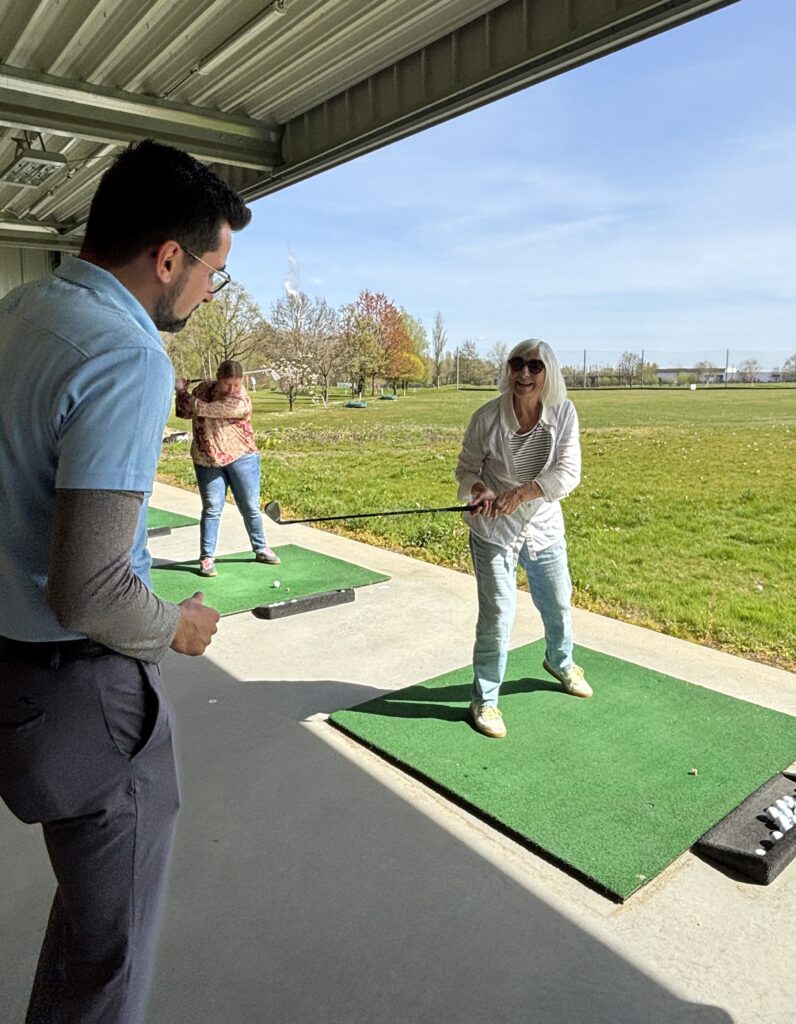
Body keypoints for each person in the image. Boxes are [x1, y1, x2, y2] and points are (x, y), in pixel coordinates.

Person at [0, 139, 251, 1023]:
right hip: (81, 693)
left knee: (89, 931)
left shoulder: (17, 312)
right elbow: (93, 587)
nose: (211, 291)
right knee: (111, 958)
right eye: (214, 272)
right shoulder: (128, 354)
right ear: (169, 258)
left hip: (13, 677)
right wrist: (176, 626)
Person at [455, 338, 593, 739]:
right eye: (517, 364)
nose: (524, 373)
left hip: (543, 526)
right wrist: (479, 490)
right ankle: (485, 699)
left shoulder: (563, 412)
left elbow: (568, 472)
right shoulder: (486, 417)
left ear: (549, 372)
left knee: (558, 602)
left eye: (535, 366)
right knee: (497, 615)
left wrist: (521, 494)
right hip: (494, 530)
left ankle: (560, 662)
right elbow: (466, 468)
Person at [175, 360, 280, 577]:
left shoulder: (240, 401)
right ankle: (207, 558)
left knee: (250, 506)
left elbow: (203, 409)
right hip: (207, 458)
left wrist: (182, 390)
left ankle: (261, 547)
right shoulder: (203, 389)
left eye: (236, 384)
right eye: (227, 384)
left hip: (241, 457)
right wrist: (181, 393)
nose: (232, 389)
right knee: (212, 509)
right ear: (218, 378)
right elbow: (184, 412)